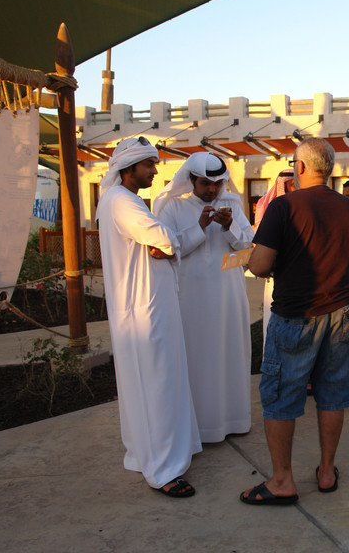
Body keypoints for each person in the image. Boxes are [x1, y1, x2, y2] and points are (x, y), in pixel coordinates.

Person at [241, 137, 349, 505]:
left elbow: (260, 265)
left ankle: (282, 481)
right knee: (333, 394)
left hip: (295, 315)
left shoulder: (283, 207)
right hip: (341, 313)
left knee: (281, 397)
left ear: (302, 167)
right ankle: (326, 472)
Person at [96, 136, 200, 498]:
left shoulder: (124, 200)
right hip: (143, 312)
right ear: (128, 169)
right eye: (148, 165)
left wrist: (164, 244)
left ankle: (152, 455)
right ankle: (163, 470)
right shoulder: (121, 202)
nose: (155, 171)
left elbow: (164, 243)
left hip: (149, 306)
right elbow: (163, 238)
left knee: (156, 383)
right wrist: (164, 242)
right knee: (155, 385)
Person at [153, 151, 254, 443]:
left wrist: (228, 226)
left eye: (218, 184)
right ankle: (199, 426)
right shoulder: (172, 206)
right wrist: (199, 227)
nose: (212, 190)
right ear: (191, 180)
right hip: (190, 297)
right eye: (205, 183)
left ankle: (232, 420)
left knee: (229, 353)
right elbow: (165, 249)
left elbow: (248, 249)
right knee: (197, 358)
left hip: (228, 295)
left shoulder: (232, 203)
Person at [253, 169, 296, 346]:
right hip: (272, 272)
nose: (295, 188)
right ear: (282, 184)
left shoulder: (300, 204)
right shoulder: (267, 205)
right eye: (292, 184)